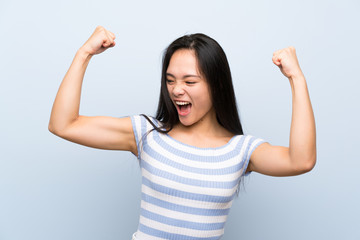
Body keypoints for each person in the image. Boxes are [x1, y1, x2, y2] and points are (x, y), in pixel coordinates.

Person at [48, 26, 316, 240]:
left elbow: (301, 160)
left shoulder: (241, 150)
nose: (176, 90)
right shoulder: (147, 134)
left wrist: (297, 79)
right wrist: (84, 53)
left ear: (217, 83)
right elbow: (64, 124)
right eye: (170, 80)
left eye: (189, 81)